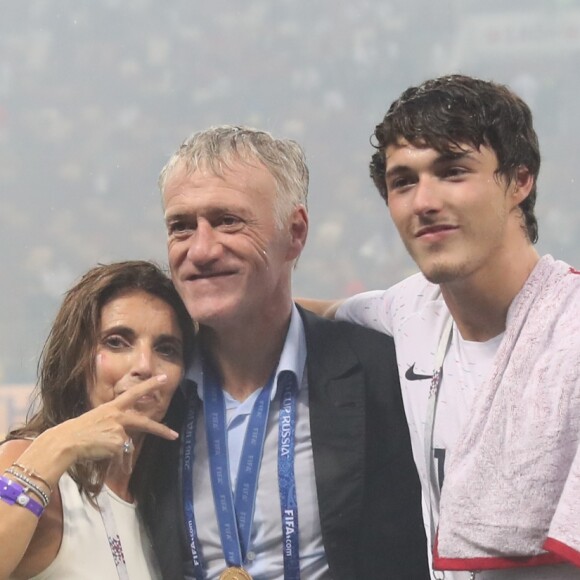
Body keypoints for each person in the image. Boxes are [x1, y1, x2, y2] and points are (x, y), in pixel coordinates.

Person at [300, 75, 580, 579]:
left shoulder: (572, 328)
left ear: (520, 180)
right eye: (403, 181)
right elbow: (312, 313)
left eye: (453, 171)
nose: (423, 202)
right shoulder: (410, 311)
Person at [146, 125, 429, 579]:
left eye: (227, 221)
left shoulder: (382, 376)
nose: (200, 250)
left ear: (295, 233)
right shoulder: (153, 393)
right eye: (181, 226)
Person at [0, 260, 195, 579]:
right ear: (76, 356)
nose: (144, 366)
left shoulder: (157, 507)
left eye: (166, 349)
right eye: (117, 342)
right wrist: (57, 444)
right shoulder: (27, 462)